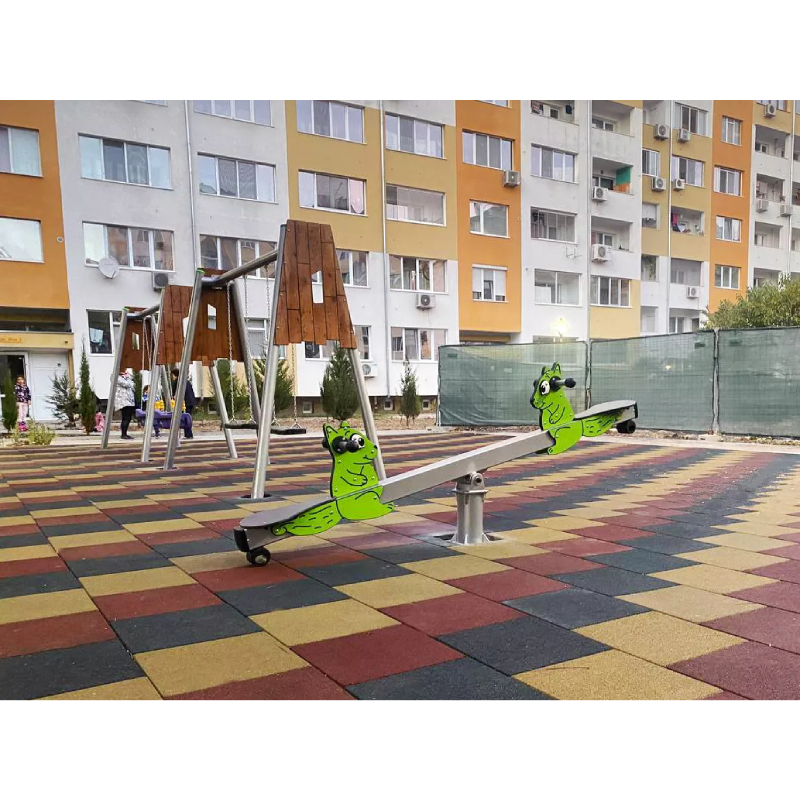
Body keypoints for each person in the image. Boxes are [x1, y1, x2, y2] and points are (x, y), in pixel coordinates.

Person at [170, 368, 196, 439]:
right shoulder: (186, 381)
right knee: (188, 417)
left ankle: (189, 434)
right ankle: (188, 433)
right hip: (191, 401)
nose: (172, 377)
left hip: (185, 402)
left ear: (175, 375)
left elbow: (173, 392)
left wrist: (173, 397)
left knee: (185, 418)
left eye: (172, 375)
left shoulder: (178, 381)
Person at [114, 369, 136, 440]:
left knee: (128, 418)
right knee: (126, 418)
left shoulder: (127, 377)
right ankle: (123, 434)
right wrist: (128, 379)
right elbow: (127, 384)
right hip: (123, 401)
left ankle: (125, 433)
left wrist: (128, 377)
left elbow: (133, 384)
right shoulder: (117, 377)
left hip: (129, 400)